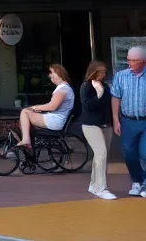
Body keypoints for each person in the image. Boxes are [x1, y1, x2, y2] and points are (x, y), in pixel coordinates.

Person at [111, 45, 146, 197]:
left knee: (144, 153)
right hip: (128, 120)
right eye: (129, 60)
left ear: (143, 61)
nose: (130, 63)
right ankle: (137, 181)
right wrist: (115, 119)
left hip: (145, 121)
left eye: (134, 61)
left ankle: (144, 182)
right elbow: (116, 97)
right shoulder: (121, 76)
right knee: (129, 153)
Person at [80, 60, 116, 200]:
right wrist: (99, 94)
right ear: (93, 72)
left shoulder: (106, 86)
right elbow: (88, 105)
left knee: (101, 156)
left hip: (106, 124)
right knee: (101, 153)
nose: (102, 75)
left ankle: (94, 184)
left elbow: (110, 104)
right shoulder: (86, 86)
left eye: (104, 72)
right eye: (100, 72)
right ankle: (101, 188)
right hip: (90, 124)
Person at [16, 63, 75, 148]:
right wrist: (38, 109)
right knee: (25, 116)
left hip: (56, 120)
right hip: (55, 118)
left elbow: (52, 106)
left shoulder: (63, 89)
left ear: (57, 74)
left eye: (51, 75)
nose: (50, 78)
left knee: (25, 112)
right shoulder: (64, 88)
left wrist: (37, 108)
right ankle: (28, 144)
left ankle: (26, 140)